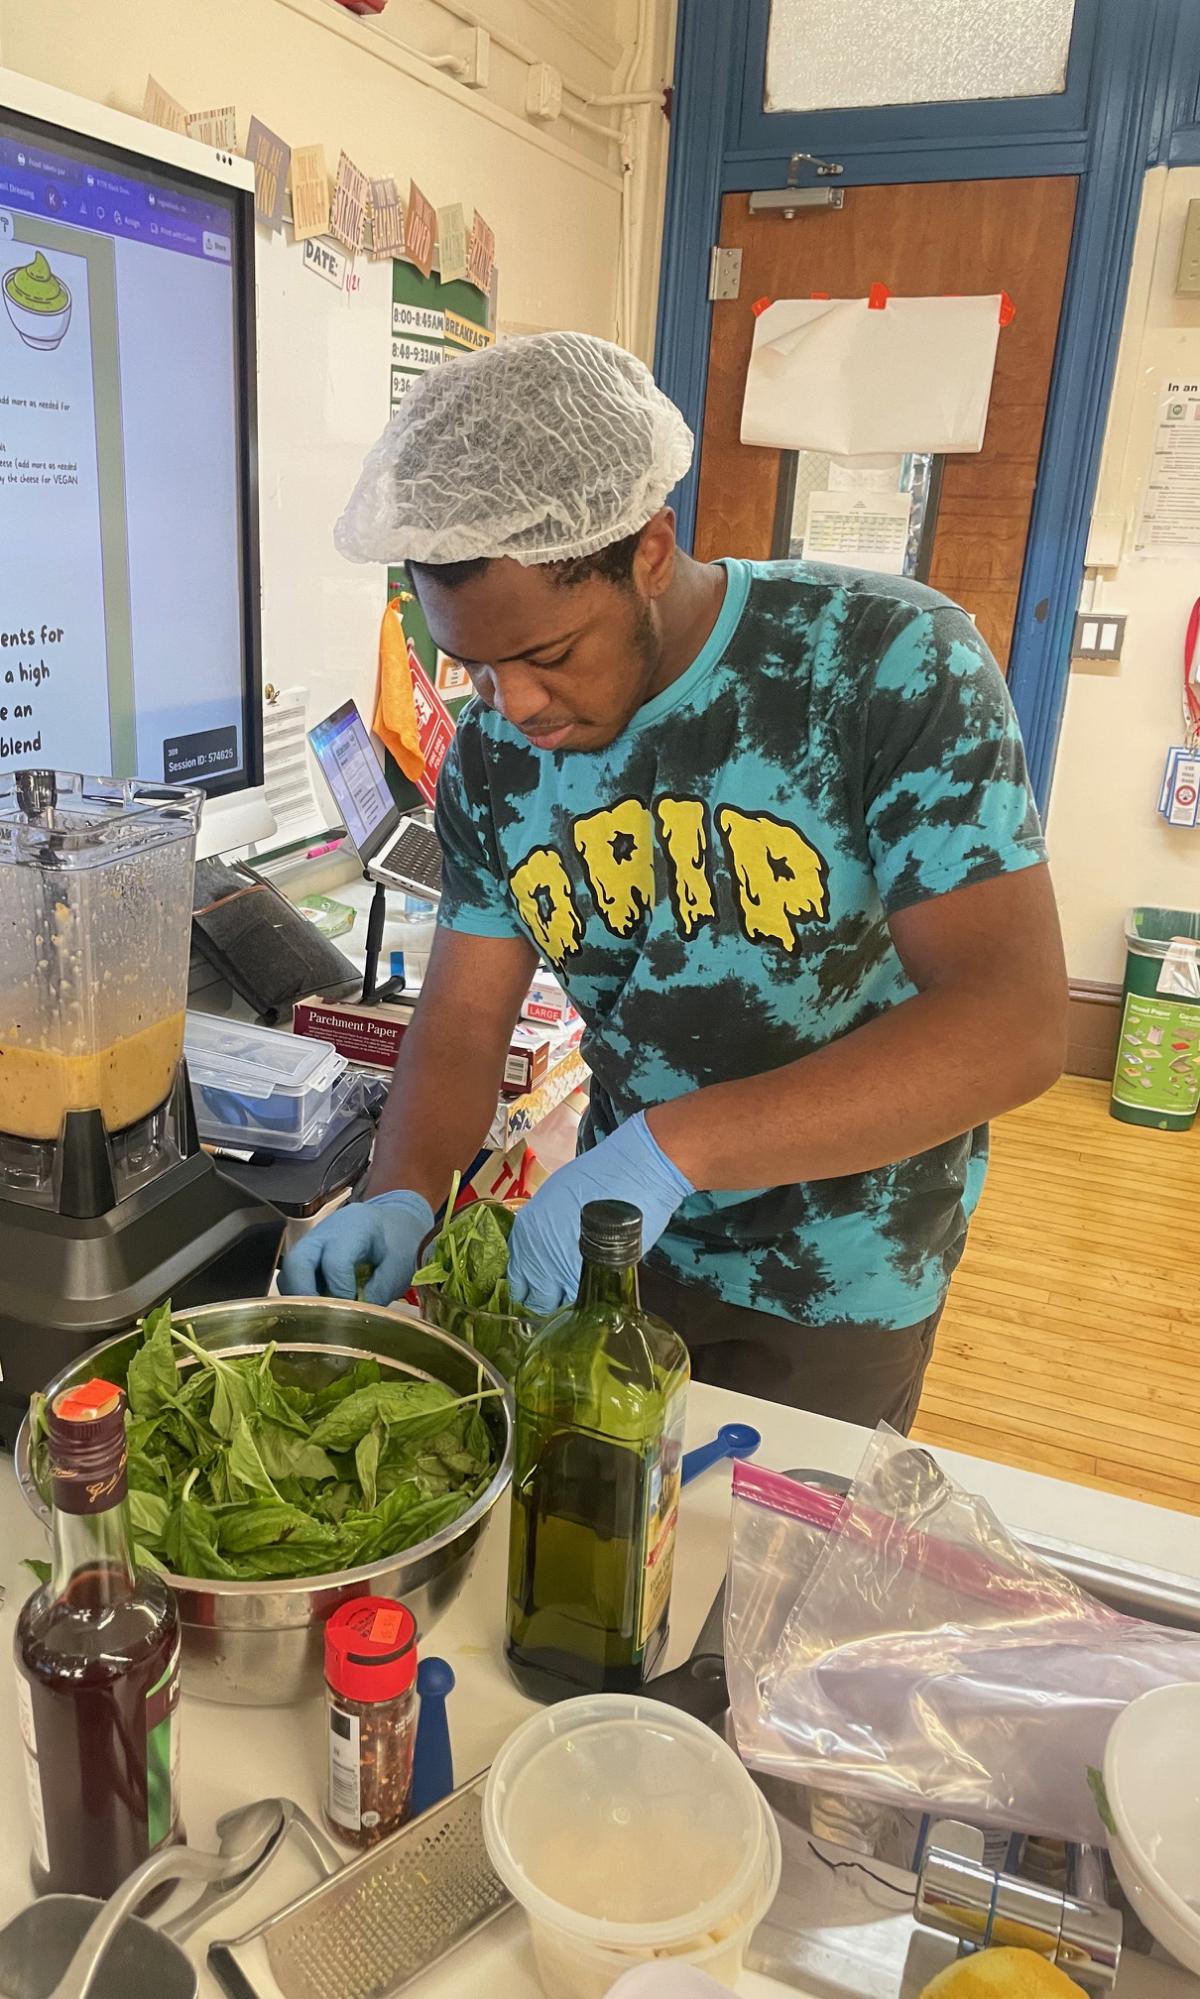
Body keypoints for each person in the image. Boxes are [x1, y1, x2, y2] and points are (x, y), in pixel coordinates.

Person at [281, 332, 1067, 1430]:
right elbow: (462, 1021)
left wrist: (669, 1149)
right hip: (614, 1252)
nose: (514, 706)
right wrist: (402, 1188)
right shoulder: (492, 759)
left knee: (764, 1576)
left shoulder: (887, 666)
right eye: (474, 667)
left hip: (842, 1274)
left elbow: (1014, 1024)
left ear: (650, 548)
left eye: (549, 656)